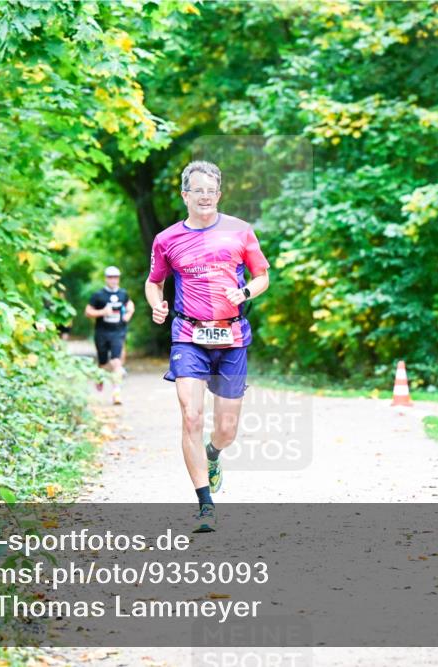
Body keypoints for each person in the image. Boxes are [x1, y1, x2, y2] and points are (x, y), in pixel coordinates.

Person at [144, 161, 270, 533]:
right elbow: (154, 282)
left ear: (219, 193)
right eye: (197, 190)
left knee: (226, 429)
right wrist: (156, 304)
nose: (205, 196)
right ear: (185, 195)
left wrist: (244, 291)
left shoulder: (240, 231)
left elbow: (262, 276)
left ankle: (214, 453)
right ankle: (205, 504)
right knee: (191, 416)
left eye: (211, 190)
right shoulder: (167, 239)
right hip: (188, 335)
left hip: (231, 336)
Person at [85, 266, 134, 405]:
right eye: (110, 277)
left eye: (116, 277)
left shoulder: (123, 293)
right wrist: (102, 312)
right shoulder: (98, 295)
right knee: (102, 363)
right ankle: (99, 378)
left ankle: (116, 393)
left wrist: (128, 314)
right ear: (106, 278)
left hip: (118, 332)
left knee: (116, 362)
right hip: (102, 332)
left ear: (119, 279)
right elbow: (88, 311)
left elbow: (130, 304)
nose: (113, 280)